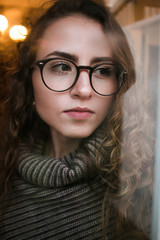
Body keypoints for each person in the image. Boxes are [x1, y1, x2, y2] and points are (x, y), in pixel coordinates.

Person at [0, 0, 153, 239]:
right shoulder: (5, 166)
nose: (83, 90)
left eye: (103, 70)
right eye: (61, 66)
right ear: (29, 82)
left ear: (120, 85)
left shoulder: (143, 184)